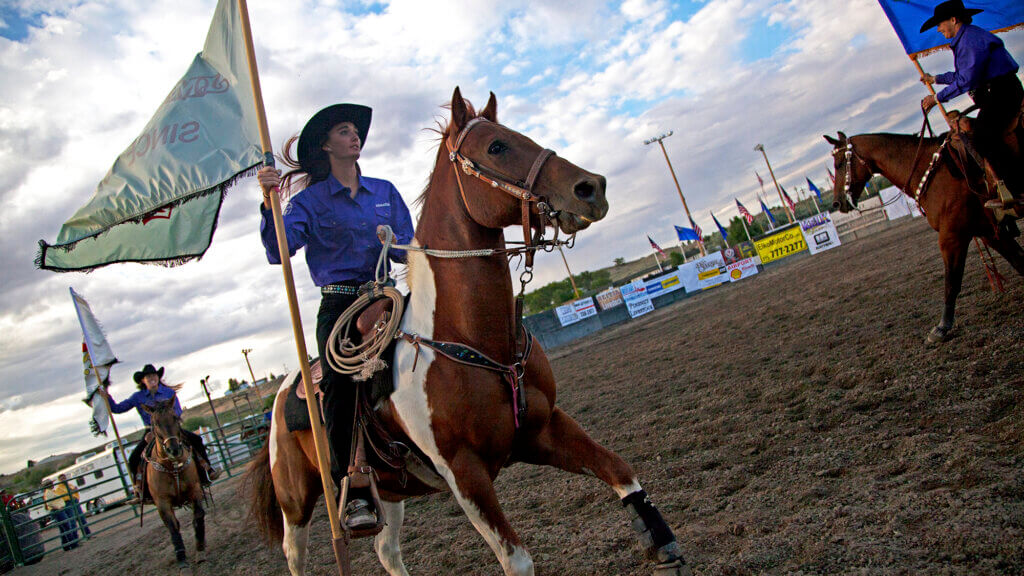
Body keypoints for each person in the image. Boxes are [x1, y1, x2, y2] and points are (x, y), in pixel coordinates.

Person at [256, 103, 415, 530]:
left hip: (388, 294)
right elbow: (279, 251)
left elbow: (408, 249)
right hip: (341, 305)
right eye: (344, 131)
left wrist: (398, 242)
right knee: (341, 383)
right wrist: (269, 203)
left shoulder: (384, 191)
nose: (354, 136)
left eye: (355, 131)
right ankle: (353, 485)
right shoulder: (308, 201)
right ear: (326, 145)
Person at [919, 0, 1022, 204]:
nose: (938, 29)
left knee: (983, 137)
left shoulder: (970, 41)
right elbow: (963, 74)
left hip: (1002, 92)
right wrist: (936, 79)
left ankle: (1018, 188)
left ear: (953, 20)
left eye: (940, 24)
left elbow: (967, 80)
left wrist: (937, 97)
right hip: (996, 91)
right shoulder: (967, 38)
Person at [102, 364, 220, 502]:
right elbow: (118, 408)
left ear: (158, 377)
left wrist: (169, 421)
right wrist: (106, 396)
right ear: (142, 381)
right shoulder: (137, 397)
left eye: (154, 375)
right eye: (148, 376)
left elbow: (178, 410)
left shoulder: (169, 393)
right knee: (133, 459)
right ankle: (141, 490)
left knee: (197, 440)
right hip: (150, 431)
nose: (152, 378)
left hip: (171, 429)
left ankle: (207, 471)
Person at [41, 479, 77, 551]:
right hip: (57, 511)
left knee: (63, 528)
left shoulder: (50, 492)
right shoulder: (48, 493)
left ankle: (66, 545)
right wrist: (58, 508)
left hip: (57, 510)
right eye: (51, 483)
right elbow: (49, 503)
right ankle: (72, 544)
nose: (52, 485)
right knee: (66, 526)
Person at [56, 474, 90, 539]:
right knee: (72, 521)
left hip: (75, 501)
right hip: (68, 503)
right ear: (59, 480)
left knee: (82, 518)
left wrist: (76, 496)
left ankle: (87, 534)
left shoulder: (70, 485)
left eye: (64, 478)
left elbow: (75, 491)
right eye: (62, 478)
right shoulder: (59, 488)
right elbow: (63, 497)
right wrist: (71, 493)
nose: (64, 479)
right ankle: (75, 538)